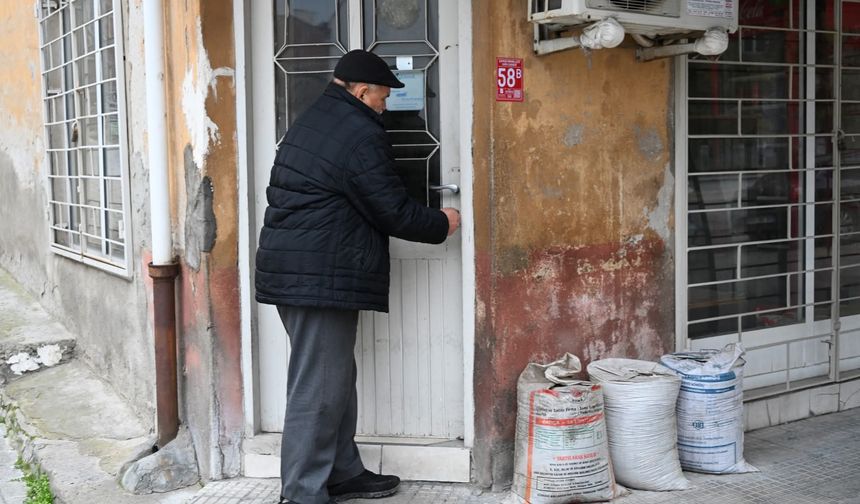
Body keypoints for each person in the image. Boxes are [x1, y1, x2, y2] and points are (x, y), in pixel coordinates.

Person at [255, 49, 461, 504]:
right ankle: (301, 492)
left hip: (306, 271)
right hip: (316, 277)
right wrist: (443, 222)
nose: (386, 107)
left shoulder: (321, 117)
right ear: (363, 92)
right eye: (384, 98)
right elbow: (392, 210)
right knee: (319, 389)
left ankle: (343, 472)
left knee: (334, 379)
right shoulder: (355, 132)